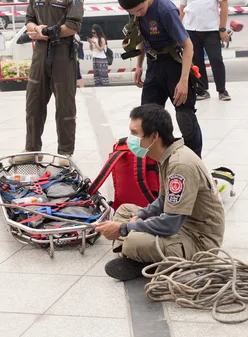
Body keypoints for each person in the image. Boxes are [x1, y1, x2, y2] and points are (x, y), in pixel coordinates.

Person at [95, 104, 225, 281]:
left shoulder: (180, 165)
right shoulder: (166, 156)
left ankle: (137, 256)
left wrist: (125, 228)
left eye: (135, 134)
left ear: (154, 136)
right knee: (125, 210)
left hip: (199, 240)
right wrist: (140, 215)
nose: (129, 139)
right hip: (182, 226)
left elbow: (170, 224)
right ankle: (138, 256)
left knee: (133, 240)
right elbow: (163, 200)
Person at [118, 0, 204, 158]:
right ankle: (156, 164)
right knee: (146, 120)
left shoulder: (165, 10)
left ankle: (194, 162)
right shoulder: (135, 10)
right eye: (133, 12)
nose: (138, 13)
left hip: (174, 66)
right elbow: (142, 38)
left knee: (185, 118)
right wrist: (139, 65)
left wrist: (183, 81)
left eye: (140, 9)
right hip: (154, 66)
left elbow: (188, 45)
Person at [12, 0, 84, 166]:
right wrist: (35, 29)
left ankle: (65, 152)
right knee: (33, 102)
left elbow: (73, 26)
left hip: (63, 53)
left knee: (65, 104)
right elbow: (29, 20)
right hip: (40, 52)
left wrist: (47, 32)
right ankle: (32, 149)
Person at [179, 0, 231, 101]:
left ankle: (222, 90)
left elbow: (224, 5)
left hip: (211, 30)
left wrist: (222, 29)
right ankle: (202, 90)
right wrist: (177, 29)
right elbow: (182, 9)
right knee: (196, 62)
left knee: (216, 59)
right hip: (191, 29)